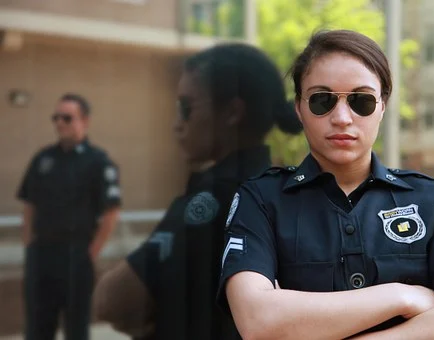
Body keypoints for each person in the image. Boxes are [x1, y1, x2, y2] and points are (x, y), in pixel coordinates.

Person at [218, 30, 434, 340]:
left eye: (361, 101)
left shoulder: (431, 200)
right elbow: (259, 320)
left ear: (382, 105)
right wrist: (401, 296)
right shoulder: (261, 200)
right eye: (322, 100)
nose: (341, 118)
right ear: (299, 107)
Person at [93, 43, 302, 339]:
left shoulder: (216, 196)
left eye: (186, 107)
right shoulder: (282, 189)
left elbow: (111, 301)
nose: (178, 124)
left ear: (232, 112)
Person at [17, 93, 121, 340]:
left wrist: (91, 253)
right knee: (37, 327)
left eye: (67, 117)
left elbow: (111, 211)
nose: (59, 123)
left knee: (76, 328)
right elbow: (30, 204)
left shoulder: (99, 162)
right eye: (56, 117)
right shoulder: (44, 158)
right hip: (41, 257)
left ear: (85, 121)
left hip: (76, 258)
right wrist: (30, 245)